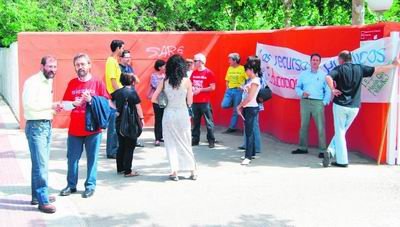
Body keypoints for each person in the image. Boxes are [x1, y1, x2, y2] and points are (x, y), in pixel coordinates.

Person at [323, 51, 400, 168]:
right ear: (350, 58)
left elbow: (328, 77)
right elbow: (377, 69)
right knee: (342, 132)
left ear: (341, 59)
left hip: (340, 105)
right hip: (354, 107)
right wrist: (393, 65)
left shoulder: (339, 68)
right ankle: (330, 151)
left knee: (340, 132)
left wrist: (333, 89)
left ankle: (342, 161)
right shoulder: (359, 68)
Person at [60, 53, 109, 198]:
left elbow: (106, 104)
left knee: (92, 158)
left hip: (93, 129)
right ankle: (71, 185)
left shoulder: (98, 83)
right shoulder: (72, 83)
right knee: (72, 158)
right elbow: (64, 105)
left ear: (89, 65)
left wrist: (91, 100)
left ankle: (90, 186)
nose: (80, 67)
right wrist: (74, 103)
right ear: (75, 67)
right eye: (77, 65)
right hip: (74, 129)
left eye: (83, 64)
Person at [22, 56, 59, 213]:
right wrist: (51, 106)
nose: (52, 70)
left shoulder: (47, 81)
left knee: (39, 164)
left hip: (45, 125)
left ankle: (37, 196)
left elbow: (41, 105)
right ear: (42, 66)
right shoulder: (33, 82)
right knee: (41, 165)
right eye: (50, 66)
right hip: (36, 127)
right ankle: (43, 201)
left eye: (55, 67)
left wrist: (52, 111)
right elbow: (28, 105)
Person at [151, 54, 197, 181]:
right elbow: (190, 102)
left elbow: (154, 98)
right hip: (183, 114)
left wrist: (164, 102)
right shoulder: (187, 81)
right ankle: (193, 170)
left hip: (169, 114)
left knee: (171, 144)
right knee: (186, 141)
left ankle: (174, 171)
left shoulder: (164, 82)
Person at [292, 53, 331, 158]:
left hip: (318, 103)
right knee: (303, 126)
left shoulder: (324, 75)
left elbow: (328, 91)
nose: (315, 62)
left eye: (317, 60)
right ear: (310, 61)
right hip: (305, 102)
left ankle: (323, 150)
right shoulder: (303, 74)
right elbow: (297, 87)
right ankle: (302, 148)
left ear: (319, 62)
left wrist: (325, 102)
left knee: (320, 127)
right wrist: (301, 93)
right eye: (313, 60)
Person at [111, 73, 145, 177]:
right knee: (130, 146)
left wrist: (116, 109)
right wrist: (142, 119)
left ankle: (120, 168)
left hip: (119, 122)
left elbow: (108, 100)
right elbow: (138, 108)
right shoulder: (132, 93)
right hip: (131, 123)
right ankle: (128, 171)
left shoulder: (117, 92)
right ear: (132, 81)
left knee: (121, 145)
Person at [236, 56, 262, 165]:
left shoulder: (255, 81)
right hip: (248, 108)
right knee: (249, 131)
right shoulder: (251, 80)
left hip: (251, 108)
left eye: (246, 70)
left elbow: (250, 97)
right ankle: (251, 153)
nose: (246, 72)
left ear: (251, 69)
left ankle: (248, 157)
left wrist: (239, 106)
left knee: (249, 133)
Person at [190, 53, 216, 148]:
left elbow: (213, 87)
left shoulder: (209, 73)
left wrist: (200, 90)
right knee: (195, 122)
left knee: (209, 122)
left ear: (201, 62)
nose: (194, 62)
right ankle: (195, 140)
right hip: (195, 101)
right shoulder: (194, 73)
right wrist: (192, 88)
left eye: (195, 61)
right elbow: (190, 83)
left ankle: (211, 140)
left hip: (205, 102)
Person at [119, 49, 144, 148]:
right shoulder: (119, 68)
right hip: (123, 96)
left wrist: (132, 76)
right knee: (123, 119)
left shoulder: (129, 68)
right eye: (126, 57)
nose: (128, 59)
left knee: (134, 118)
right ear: (121, 58)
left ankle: (134, 139)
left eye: (129, 57)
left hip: (132, 95)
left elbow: (137, 81)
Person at [105, 40, 124, 159]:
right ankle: (112, 150)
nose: (122, 50)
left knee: (117, 124)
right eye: (122, 48)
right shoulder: (111, 61)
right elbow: (113, 80)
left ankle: (115, 149)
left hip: (116, 94)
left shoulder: (114, 61)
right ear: (117, 48)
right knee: (113, 124)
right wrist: (120, 93)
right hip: (115, 95)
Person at [221, 53, 247, 133]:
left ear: (235, 60)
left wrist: (243, 87)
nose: (229, 61)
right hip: (229, 90)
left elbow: (247, 79)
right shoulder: (230, 68)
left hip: (238, 91)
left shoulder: (242, 68)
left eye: (230, 59)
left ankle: (232, 127)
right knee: (224, 105)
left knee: (236, 110)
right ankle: (233, 102)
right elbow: (227, 80)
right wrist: (227, 88)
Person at [148, 59, 166, 146]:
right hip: (157, 100)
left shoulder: (166, 75)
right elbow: (156, 85)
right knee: (158, 119)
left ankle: (162, 136)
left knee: (165, 118)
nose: (165, 67)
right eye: (164, 66)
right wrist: (163, 85)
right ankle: (157, 138)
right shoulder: (154, 76)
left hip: (165, 99)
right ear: (159, 67)